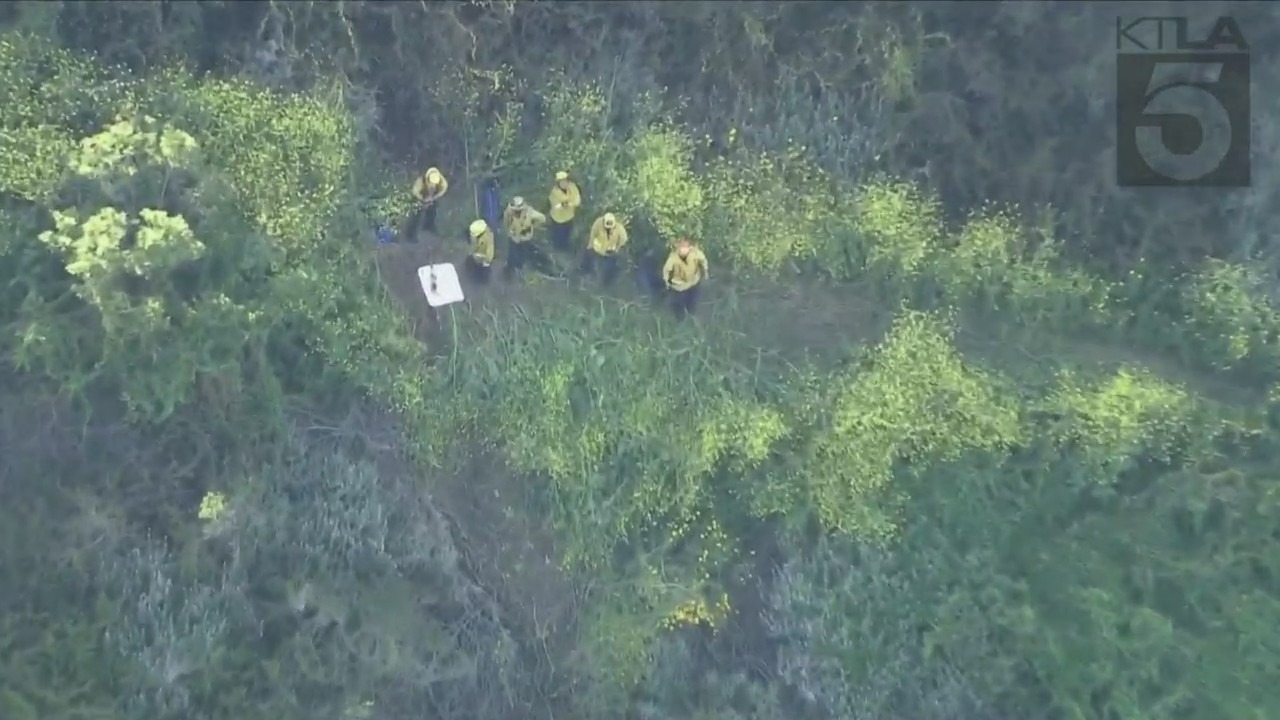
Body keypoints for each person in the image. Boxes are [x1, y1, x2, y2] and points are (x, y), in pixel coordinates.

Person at [502, 196, 550, 280]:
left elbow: (542, 218)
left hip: (526, 239)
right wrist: (509, 232)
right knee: (512, 256)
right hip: (514, 239)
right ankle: (510, 271)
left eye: (518, 210)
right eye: (514, 210)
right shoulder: (508, 212)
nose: (516, 212)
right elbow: (505, 223)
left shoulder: (529, 212)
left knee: (527, 253)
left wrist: (533, 225)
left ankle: (526, 268)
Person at [661, 238, 709, 319]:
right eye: (681, 248)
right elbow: (666, 269)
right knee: (679, 307)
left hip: (693, 283)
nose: (683, 250)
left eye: (685, 248)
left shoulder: (695, 253)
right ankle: (680, 321)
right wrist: (666, 281)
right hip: (679, 286)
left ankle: (692, 317)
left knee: (692, 304)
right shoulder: (673, 257)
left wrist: (706, 270)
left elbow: (703, 259)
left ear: (689, 248)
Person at [579, 212, 628, 286]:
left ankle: (605, 284)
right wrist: (590, 244)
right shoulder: (598, 223)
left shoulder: (619, 228)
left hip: (610, 251)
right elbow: (593, 233)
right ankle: (585, 273)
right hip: (597, 247)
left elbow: (624, 239)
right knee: (588, 258)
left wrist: (617, 248)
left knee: (609, 268)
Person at [409, 166, 449, 239]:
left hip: (433, 196)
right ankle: (411, 233)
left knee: (433, 209)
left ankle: (428, 225)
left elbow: (444, 189)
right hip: (420, 196)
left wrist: (434, 197)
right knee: (416, 213)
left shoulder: (442, 181)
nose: (433, 185)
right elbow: (415, 192)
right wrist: (422, 199)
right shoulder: (420, 181)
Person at [547, 170, 581, 252]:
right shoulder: (554, 192)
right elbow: (555, 206)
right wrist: (563, 205)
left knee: (568, 233)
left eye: (565, 181)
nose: (564, 183)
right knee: (558, 236)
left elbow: (577, 200)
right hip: (558, 219)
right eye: (562, 182)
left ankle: (566, 248)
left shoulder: (573, 187)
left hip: (570, 216)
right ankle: (557, 249)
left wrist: (569, 204)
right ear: (558, 183)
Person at [466, 219, 495, 283]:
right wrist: (471, 253)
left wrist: (481, 258)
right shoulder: (476, 234)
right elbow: (473, 245)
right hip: (476, 256)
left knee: (483, 273)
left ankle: (483, 281)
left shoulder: (488, 238)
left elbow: (489, 255)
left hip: (484, 260)